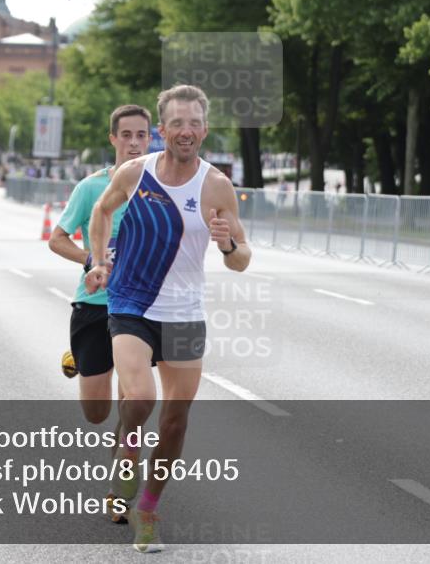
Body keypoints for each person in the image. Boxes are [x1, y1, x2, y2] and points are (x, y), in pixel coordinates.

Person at [85, 85, 251, 553]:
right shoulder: (134, 173)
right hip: (131, 303)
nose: (185, 131)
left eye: (193, 122)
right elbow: (102, 211)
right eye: (176, 123)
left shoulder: (216, 186)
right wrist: (98, 262)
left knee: (176, 421)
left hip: (184, 313)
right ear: (162, 130)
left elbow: (243, 258)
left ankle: (149, 510)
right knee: (139, 398)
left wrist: (227, 245)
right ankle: (126, 451)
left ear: (204, 129)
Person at [49, 104, 151, 524]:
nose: (132, 143)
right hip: (92, 307)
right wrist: (90, 259)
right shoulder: (91, 188)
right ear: (113, 139)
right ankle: (79, 357)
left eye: (141, 135)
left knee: (134, 405)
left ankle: (119, 492)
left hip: (139, 310)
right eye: (125, 135)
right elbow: (56, 239)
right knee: (97, 413)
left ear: (150, 139)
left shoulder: (161, 190)